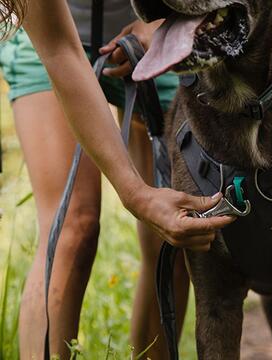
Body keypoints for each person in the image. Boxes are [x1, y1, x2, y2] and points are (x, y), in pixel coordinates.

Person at [0, 1, 234, 359]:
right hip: (51, 43)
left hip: (162, 34)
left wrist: (162, 27)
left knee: (172, 241)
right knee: (71, 230)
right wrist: (135, 194)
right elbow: (61, 52)